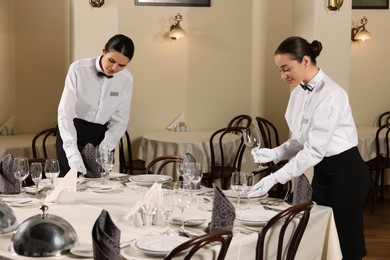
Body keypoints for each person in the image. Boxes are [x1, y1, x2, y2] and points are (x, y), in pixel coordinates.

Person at [249, 36, 370, 260]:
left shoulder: (332, 95)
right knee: (318, 236)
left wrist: (274, 178)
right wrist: (276, 153)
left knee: (345, 243)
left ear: (305, 61)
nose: (283, 76)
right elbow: (302, 139)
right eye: (279, 70)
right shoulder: (298, 92)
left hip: (347, 174)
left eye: (286, 68)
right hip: (323, 173)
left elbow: (314, 150)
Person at [56, 34, 135, 177]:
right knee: (72, 184)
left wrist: (106, 147)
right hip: (74, 132)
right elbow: (65, 114)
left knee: (100, 187)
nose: (114, 68)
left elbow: (120, 119)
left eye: (121, 65)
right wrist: (72, 152)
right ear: (104, 51)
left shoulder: (126, 79)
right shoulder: (78, 69)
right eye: (111, 60)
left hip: (102, 138)